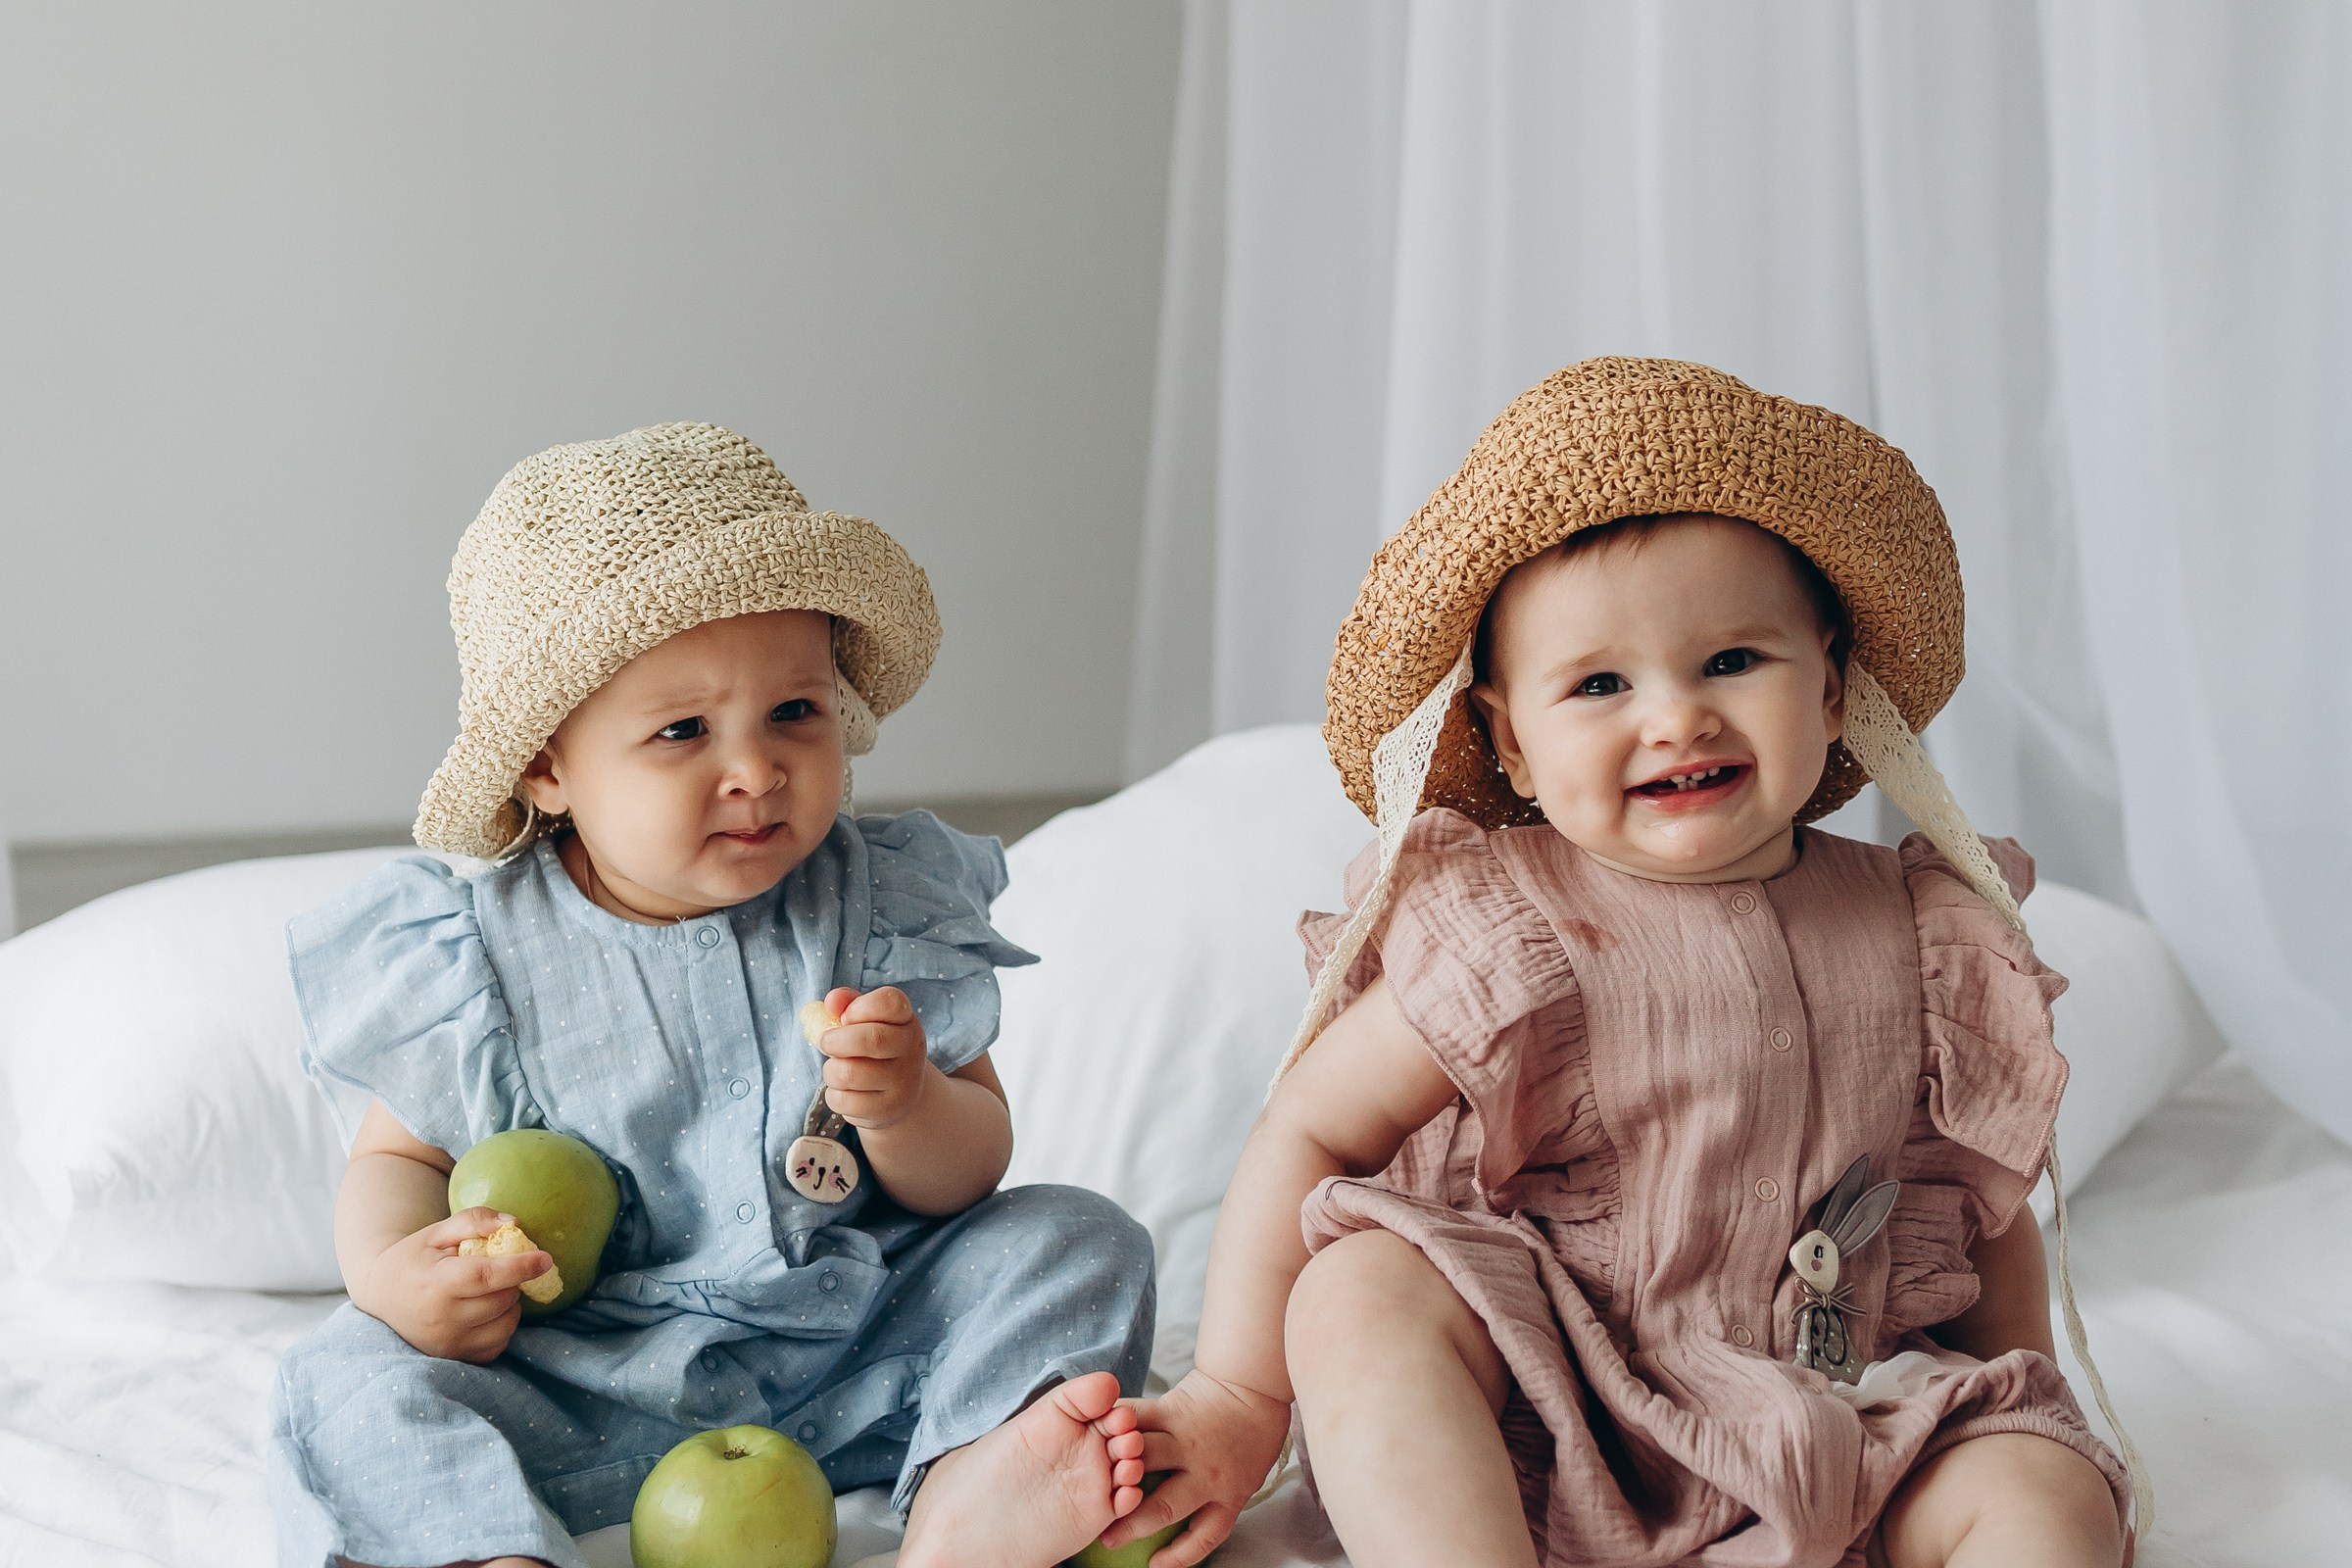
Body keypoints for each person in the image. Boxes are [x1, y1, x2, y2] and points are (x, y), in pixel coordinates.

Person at [1115, 360, 2145, 1568]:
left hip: (1838, 1431)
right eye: (1600, 684)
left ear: (1831, 683)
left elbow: (1978, 1202)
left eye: (1732, 662)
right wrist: (1241, 1394)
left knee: (2042, 1488)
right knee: (1359, 1289)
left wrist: (2016, 1399)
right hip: (1542, 1424)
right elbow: (1311, 1130)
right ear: (1510, 737)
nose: (1676, 718)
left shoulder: (1921, 933)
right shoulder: (1510, 931)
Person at [268, 424, 1155, 1568]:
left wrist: (905, 1108)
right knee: (340, 1378)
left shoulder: (881, 900)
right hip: (585, 1376)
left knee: (1078, 1236)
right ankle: (492, 1549)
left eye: (795, 712)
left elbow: (971, 1168)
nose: (757, 767)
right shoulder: (470, 951)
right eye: (682, 730)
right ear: (548, 768)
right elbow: (395, 1164)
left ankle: (971, 1487)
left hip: (859, 1345)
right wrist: (407, 1275)